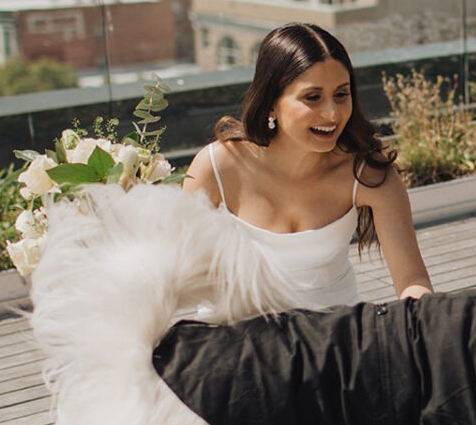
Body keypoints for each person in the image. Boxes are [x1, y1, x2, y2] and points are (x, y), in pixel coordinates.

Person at [182, 23, 433, 307]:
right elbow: (176, 270)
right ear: (271, 102)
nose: (332, 113)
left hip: (333, 337)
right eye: (312, 97)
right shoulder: (215, 167)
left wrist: (423, 320)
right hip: (239, 339)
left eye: (341, 94)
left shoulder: (368, 174)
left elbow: (413, 280)